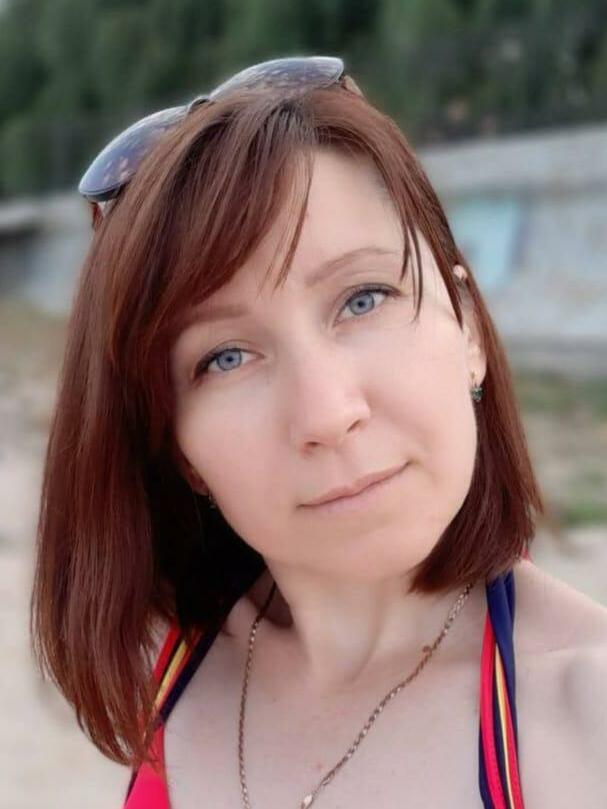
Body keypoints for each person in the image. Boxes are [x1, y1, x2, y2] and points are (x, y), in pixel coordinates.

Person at [29, 57, 607, 808]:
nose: (327, 415)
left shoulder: (584, 721)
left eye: (363, 298)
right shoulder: (180, 665)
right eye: (225, 357)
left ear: (466, 325)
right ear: (180, 448)